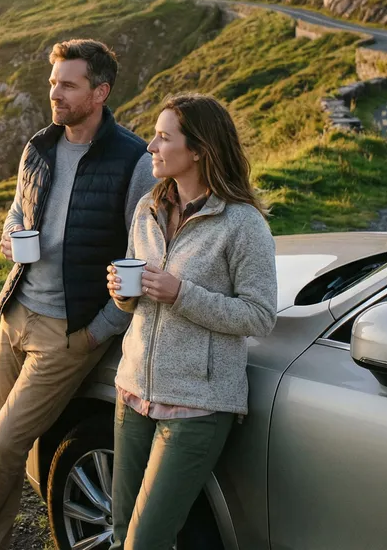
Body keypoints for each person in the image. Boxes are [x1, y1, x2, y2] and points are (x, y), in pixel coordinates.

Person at [0, 39, 156, 550]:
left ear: (99, 92)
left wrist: (100, 329)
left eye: (68, 84)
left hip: (67, 333)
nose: (55, 93)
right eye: (53, 82)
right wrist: (10, 237)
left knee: (6, 445)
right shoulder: (38, 146)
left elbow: (140, 258)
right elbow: (17, 211)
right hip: (16, 314)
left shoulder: (134, 161)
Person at [106, 93, 277, 549]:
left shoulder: (243, 225)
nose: (151, 147)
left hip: (197, 405)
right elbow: (139, 297)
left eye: (163, 137)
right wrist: (123, 295)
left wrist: (182, 294)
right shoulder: (147, 208)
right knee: (122, 529)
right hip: (133, 392)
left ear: (198, 149)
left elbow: (260, 316)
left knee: (146, 541)